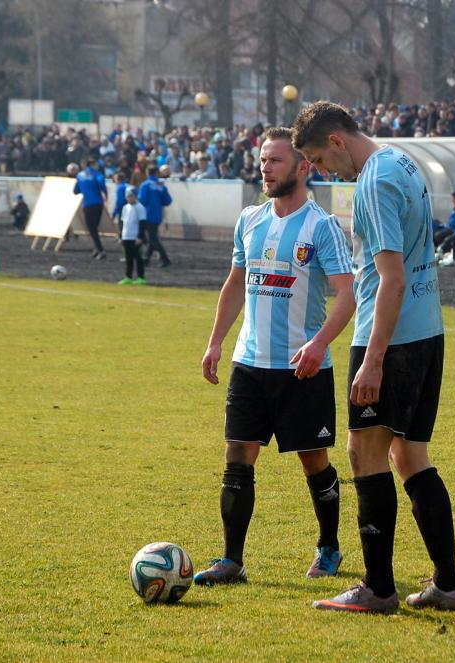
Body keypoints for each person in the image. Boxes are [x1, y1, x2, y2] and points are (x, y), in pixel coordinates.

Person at [292, 101, 455, 614]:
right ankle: (447, 585)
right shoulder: (402, 161)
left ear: (339, 142)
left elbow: (391, 279)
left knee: (363, 454)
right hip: (427, 333)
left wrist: (372, 360)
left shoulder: (371, 183)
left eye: (319, 159)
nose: (322, 171)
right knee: (409, 456)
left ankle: (378, 589)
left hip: (391, 340)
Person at [195, 127, 355, 586]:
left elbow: (347, 295)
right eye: (263, 160)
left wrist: (320, 341)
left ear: (303, 166)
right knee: (237, 459)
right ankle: (231, 561)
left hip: (301, 369)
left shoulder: (321, 227)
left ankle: (328, 548)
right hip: (250, 365)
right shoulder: (249, 219)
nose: (265, 168)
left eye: (275, 161)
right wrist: (215, 342)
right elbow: (234, 287)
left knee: (314, 461)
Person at [136, 165, 173, 267]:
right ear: (157, 173)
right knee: (153, 236)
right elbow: (168, 201)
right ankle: (146, 259)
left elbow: (142, 200)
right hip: (158, 215)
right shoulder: (161, 185)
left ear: (147, 173)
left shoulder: (145, 185)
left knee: (153, 238)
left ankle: (165, 258)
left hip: (147, 214)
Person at [73, 158, 108, 259]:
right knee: (95, 227)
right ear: (92, 165)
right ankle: (97, 248)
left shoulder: (80, 175)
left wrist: (85, 189)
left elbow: (75, 190)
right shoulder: (98, 175)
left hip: (88, 204)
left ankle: (100, 249)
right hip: (98, 203)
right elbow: (102, 186)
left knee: (91, 228)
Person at [117, 186, 147, 285]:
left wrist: (140, 237)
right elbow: (122, 223)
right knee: (128, 258)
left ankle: (141, 277)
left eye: (132, 196)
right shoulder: (125, 208)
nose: (130, 198)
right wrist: (121, 236)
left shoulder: (140, 207)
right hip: (127, 236)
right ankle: (128, 277)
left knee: (138, 258)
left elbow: (142, 223)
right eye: (128, 196)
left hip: (135, 237)